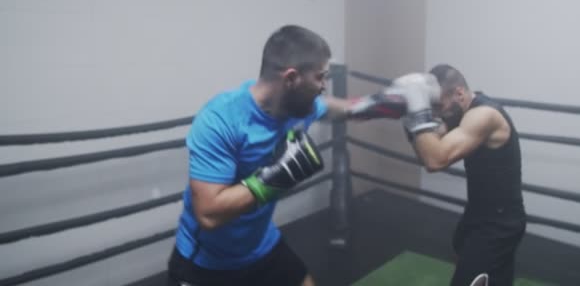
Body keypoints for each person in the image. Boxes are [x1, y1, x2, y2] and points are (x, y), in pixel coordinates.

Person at [167, 24, 410, 286]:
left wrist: (383, 105)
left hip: (260, 245)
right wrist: (276, 176)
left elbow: (339, 109)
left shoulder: (299, 107)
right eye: (320, 77)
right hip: (207, 264)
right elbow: (208, 213)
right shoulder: (221, 120)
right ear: (291, 78)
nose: (323, 87)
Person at [395, 65, 527, 286]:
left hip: (500, 223)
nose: (438, 114)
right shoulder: (458, 112)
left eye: (440, 106)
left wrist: (417, 115)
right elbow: (428, 150)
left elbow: (435, 160)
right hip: (478, 214)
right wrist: (410, 116)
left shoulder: (483, 115)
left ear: (459, 93)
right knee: (463, 253)